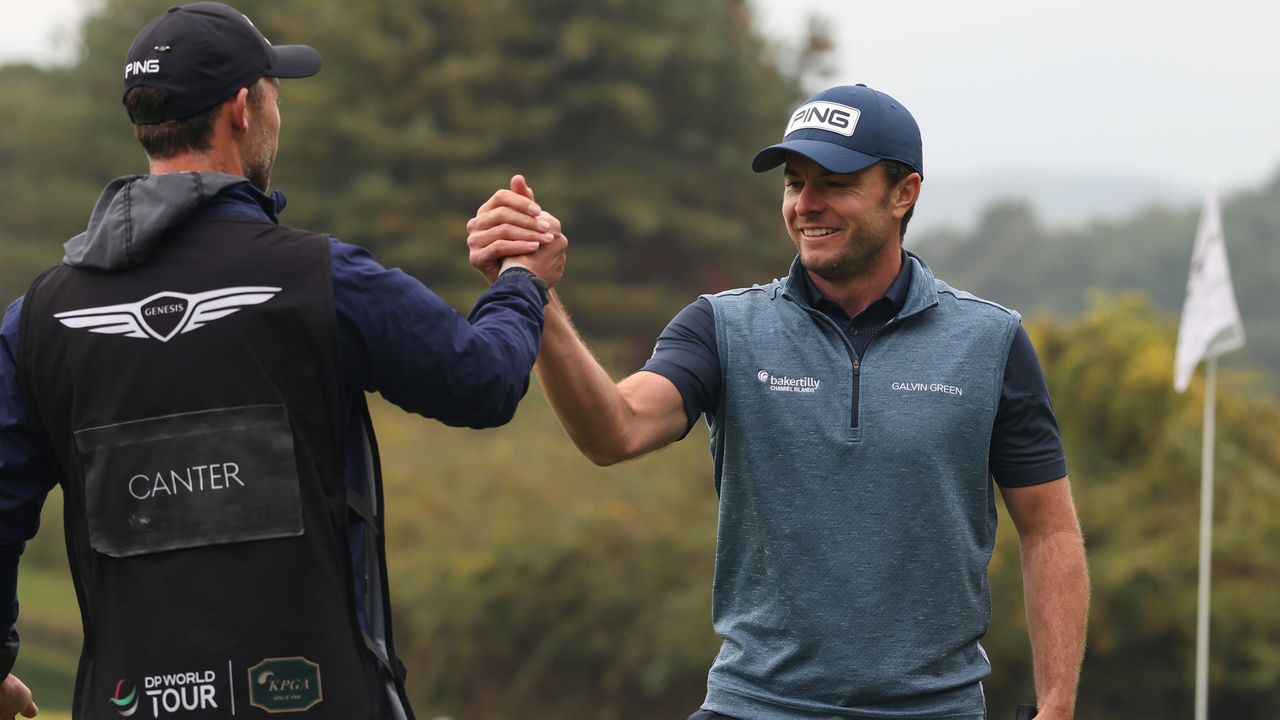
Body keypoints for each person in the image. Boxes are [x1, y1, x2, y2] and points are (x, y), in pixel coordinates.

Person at [0, 3, 564, 719]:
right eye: (274, 93)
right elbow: (484, 381)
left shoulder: (38, 318)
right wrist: (522, 281)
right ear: (242, 110)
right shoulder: (321, 279)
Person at [467, 84, 1089, 719]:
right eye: (794, 183)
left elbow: (1050, 530)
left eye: (835, 183)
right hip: (753, 706)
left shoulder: (990, 340)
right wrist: (533, 292)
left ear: (904, 194)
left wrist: (1057, 706)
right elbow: (614, 431)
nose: (806, 204)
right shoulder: (722, 327)